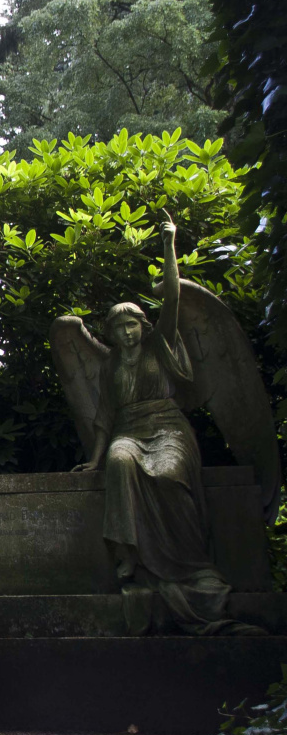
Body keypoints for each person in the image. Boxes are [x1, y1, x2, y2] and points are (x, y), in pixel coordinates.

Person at [73, 219, 258, 634]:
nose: (127, 332)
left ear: (143, 325)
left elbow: (173, 297)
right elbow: (104, 417)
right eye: (119, 327)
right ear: (111, 333)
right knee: (119, 462)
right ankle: (129, 554)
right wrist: (95, 459)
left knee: (171, 474)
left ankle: (190, 562)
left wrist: (169, 244)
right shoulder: (109, 366)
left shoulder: (160, 343)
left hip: (169, 429)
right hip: (128, 432)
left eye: (132, 324)